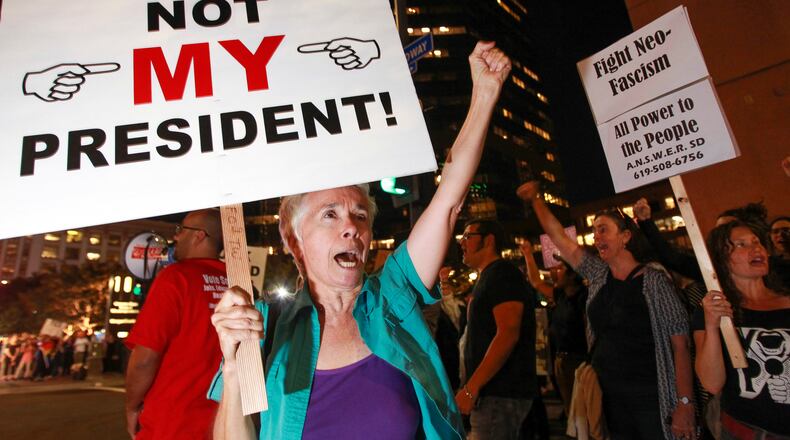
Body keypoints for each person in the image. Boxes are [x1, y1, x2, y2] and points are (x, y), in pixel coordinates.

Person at [209, 41, 511, 440]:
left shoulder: (393, 297)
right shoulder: (263, 326)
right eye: (330, 214)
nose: (351, 226)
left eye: (360, 215)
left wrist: (486, 92)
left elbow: (449, 200)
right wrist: (233, 367)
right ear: (294, 240)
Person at [517, 181, 696, 440]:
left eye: (603, 230)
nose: (596, 236)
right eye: (594, 231)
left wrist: (685, 403)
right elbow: (560, 239)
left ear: (625, 237)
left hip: (651, 398)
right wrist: (536, 201)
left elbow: (680, 345)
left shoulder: (654, 281)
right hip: (609, 399)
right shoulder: (599, 274)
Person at [124, 208, 227, 439]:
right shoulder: (241, 284)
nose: (176, 237)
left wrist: (131, 407)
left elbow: (145, 359)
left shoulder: (176, 278)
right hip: (226, 424)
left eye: (181, 230)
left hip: (172, 423)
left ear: (199, 235)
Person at [693, 221, 790, 439]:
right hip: (750, 431)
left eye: (757, 242)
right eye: (741, 244)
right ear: (723, 259)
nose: (756, 249)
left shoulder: (786, 301)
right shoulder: (716, 311)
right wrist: (711, 324)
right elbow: (712, 383)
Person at [455, 219, 537, 439]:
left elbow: (508, 333)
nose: (462, 243)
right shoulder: (489, 276)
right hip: (493, 395)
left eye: (468, 236)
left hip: (500, 395)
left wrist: (472, 388)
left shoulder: (503, 274)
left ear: (489, 240)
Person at [520, 239, 587, 418]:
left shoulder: (583, 299)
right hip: (561, 360)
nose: (556, 272)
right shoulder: (561, 296)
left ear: (573, 275)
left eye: (561, 269)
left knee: (582, 410)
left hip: (579, 361)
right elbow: (536, 282)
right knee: (569, 408)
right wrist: (528, 254)